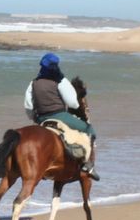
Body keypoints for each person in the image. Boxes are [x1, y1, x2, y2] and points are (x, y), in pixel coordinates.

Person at [24, 52, 99, 180]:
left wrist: (34, 118)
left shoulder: (33, 83)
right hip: (60, 115)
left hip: (41, 118)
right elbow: (73, 103)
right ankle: (88, 165)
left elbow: (28, 106)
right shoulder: (60, 80)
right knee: (89, 129)